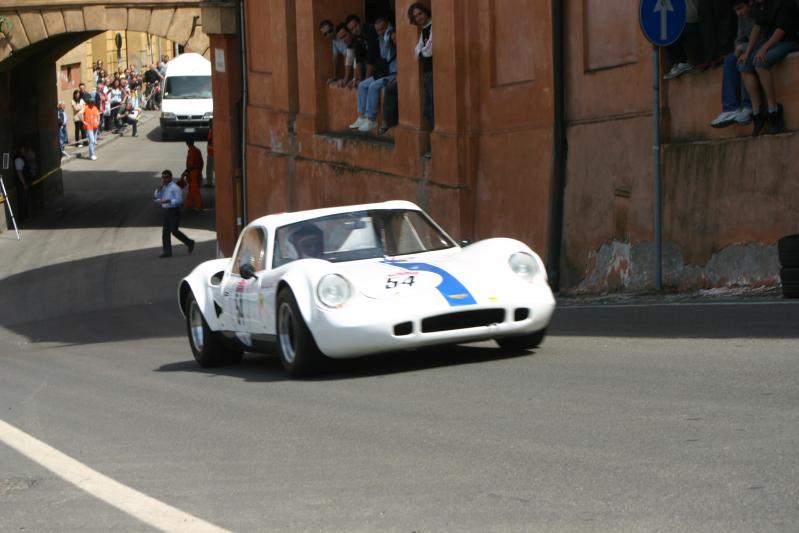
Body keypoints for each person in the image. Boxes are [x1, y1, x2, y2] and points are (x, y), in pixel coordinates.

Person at [738, 0, 799, 135]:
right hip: (772, 45)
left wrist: (764, 49)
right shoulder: (761, 5)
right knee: (743, 64)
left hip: (789, 41)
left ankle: (773, 110)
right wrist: (747, 53)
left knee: (761, 62)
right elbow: (757, 27)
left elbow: (781, 30)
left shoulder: (784, 3)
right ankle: (757, 112)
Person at [710, 0, 756, 128]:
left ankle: (747, 106)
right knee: (730, 60)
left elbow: (762, 38)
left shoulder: (757, 15)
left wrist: (744, 48)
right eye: (736, 10)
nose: (739, 12)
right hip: (746, 50)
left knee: (743, 62)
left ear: (749, 5)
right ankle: (731, 108)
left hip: (759, 49)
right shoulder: (742, 19)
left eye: (741, 8)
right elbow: (739, 38)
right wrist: (738, 49)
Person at [350, 18, 398, 132]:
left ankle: (371, 119)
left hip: (394, 73)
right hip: (384, 72)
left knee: (373, 86)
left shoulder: (392, 35)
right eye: (378, 30)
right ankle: (362, 117)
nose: (381, 32)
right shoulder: (380, 39)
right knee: (362, 85)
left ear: (388, 26)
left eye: (383, 29)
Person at [154, 169, 195, 258]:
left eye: (166, 177)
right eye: (163, 177)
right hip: (166, 211)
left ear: (170, 178)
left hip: (174, 211)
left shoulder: (175, 188)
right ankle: (167, 252)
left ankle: (190, 242)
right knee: (165, 233)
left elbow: (179, 200)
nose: (164, 179)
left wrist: (169, 201)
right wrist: (160, 187)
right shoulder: (163, 187)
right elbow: (156, 196)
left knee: (174, 231)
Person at [410, 3, 434, 130]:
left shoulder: (433, 26)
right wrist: (421, 52)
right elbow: (417, 50)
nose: (418, 17)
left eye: (420, 13)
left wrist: (421, 52)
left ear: (425, 12)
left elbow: (429, 50)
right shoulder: (424, 29)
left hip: (434, 72)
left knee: (432, 107)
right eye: (415, 16)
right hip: (426, 72)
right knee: (427, 109)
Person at [320, 19, 354, 84]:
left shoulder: (341, 35)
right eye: (325, 34)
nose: (328, 34)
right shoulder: (334, 41)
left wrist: (345, 79)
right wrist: (334, 77)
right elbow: (335, 58)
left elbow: (348, 55)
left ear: (334, 28)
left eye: (330, 31)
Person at [182, 138, 204, 211]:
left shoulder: (192, 151)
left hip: (193, 172)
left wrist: (185, 172)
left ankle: (199, 206)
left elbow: (191, 165)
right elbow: (202, 162)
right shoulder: (197, 150)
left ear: (187, 143)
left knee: (194, 190)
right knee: (191, 189)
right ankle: (188, 203)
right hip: (197, 171)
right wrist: (199, 171)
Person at [12, 149, 30, 222]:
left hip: (23, 183)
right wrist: (24, 184)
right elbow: (19, 173)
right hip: (21, 184)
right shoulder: (18, 160)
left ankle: (25, 217)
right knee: (22, 201)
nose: (24, 150)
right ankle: (23, 218)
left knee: (25, 200)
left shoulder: (21, 158)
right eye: (23, 149)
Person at [82, 96, 100, 161]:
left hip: (95, 126)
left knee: (94, 141)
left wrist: (98, 121)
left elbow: (98, 115)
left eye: (93, 102)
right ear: (88, 103)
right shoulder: (86, 108)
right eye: (91, 102)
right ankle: (92, 155)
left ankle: (91, 155)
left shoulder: (95, 108)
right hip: (89, 127)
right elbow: (79, 114)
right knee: (91, 141)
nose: (92, 103)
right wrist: (83, 121)